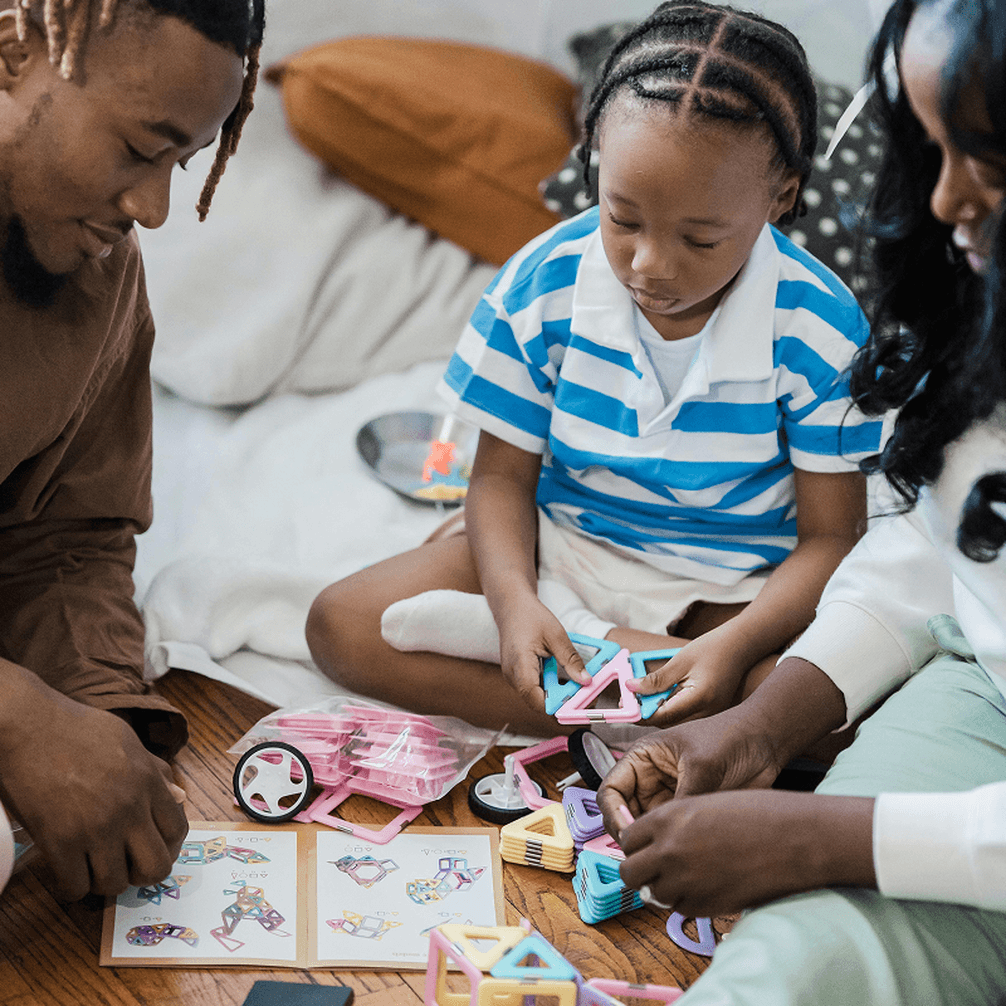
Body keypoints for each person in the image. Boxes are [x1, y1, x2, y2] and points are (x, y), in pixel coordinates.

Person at [307, 0, 885, 737]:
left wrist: (732, 647)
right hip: (564, 547)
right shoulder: (542, 285)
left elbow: (831, 539)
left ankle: (614, 679)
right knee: (343, 625)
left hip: (732, 590)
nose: (650, 265)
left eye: (700, 240)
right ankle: (648, 700)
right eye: (623, 219)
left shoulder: (818, 327)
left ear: (781, 199)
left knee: (830, 706)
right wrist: (516, 607)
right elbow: (497, 480)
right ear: (594, 168)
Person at [594, 0, 1006, 1001]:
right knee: (782, 975)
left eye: (990, 161)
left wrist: (825, 832)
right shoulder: (977, 303)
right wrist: (758, 729)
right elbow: (932, 557)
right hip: (984, 689)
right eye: (933, 150)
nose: (949, 200)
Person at [0, 0, 263, 899]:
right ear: (11, 54)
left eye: (182, 164)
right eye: (138, 148)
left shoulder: (98, 272)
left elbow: (67, 533)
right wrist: (15, 719)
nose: (152, 209)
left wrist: (100, 717)